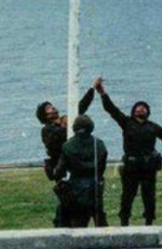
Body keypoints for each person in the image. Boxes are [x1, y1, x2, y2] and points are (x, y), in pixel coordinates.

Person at [97, 78, 162, 226]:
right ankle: (124, 221)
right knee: (127, 196)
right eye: (138, 107)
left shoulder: (153, 127)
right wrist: (102, 92)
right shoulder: (126, 122)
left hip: (148, 167)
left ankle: (149, 222)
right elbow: (111, 109)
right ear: (133, 111)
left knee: (149, 196)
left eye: (143, 107)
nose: (140, 109)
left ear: (148, 112)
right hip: (131, 166)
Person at [36, 80, 99, 227]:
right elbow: (56, 141)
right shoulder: (47, 130)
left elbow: (80, 107)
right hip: (63, 171)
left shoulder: (66, 120)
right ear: (45, 116)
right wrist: (67, 126)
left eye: (51, 106)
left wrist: (92, 90)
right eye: (48, 108)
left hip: (75, 167)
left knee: (84, 204)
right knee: (67, 205)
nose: (52, 108)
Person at [53, 115, 108, 228]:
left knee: (78, 221)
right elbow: (102, 166)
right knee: (100, 220)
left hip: (76, 185)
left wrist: (54, 173)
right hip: (95, 185)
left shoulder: (68, 145)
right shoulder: (99, 144)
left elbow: (60, 170)